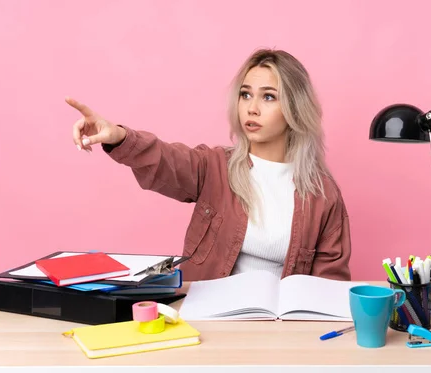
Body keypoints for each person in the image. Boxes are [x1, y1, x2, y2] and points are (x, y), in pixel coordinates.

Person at [66, 48, 351, 281]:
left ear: (294, 108)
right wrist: (120, 137)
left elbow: (328, 286)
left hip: (279, 331)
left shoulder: (322, 196)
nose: (251, 108)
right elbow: (164, 160)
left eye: (268, 96)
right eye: (245, 94)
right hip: (210, 321)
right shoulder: (213, 167)